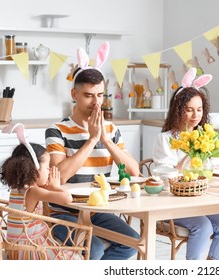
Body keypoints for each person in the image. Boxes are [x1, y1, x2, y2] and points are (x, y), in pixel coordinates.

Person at [45, 42, 140, 260]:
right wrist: (92, 140)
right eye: (88, 95)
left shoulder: (111, 130)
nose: (96, 103)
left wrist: (105, 140)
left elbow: (135, 172)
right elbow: (60, 177)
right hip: (63, 212)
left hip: (99, 210)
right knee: (94, 248)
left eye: (100, 95)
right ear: (74, 94)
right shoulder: (56, 130)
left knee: (132, 243)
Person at [153, 67, 219, 260]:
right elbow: (165, 176)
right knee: (204, 225)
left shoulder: (206, 136)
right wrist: (190, 153)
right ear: (178, 110)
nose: (195, 115)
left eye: (199, 110)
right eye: (189, 110)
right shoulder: (165, 139)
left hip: (203, 200)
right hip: (172, 204)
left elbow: (215, 168)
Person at [0, 141, 78, 260]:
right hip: (33, 249)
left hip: (16, 248)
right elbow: (67, 198)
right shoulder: (33, 191)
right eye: (47, 167)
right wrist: (55, 187)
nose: (50, 170)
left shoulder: (17, 188)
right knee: (76, 258)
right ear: (34, 169)